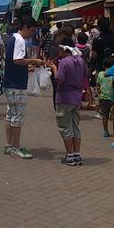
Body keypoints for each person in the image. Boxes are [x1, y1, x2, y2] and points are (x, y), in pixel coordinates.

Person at [3, 16, 43, 159]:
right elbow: (18, 60)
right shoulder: (20, 40)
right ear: (25, 27)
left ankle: (9, 145)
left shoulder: (13, 38)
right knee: (17, 116)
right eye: (31, 30)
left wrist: (28, 64)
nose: (32, 34)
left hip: (11, 82)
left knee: (10, 115)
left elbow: (15, 61)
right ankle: (16, 147)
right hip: (16, 84)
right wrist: (33, 61)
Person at [47, 38, 86, 166]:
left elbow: (59, 79)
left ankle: (70, 155)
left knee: (65, 127)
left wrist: (53, 67)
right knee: (75, 126)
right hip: (76, 97)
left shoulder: (64, 62)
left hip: (64, 97)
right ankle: (77, 154)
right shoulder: (80, 60)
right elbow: (86, 74)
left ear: (64, 49)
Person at [96, 56, 114, 137]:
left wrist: (99, 95)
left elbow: (98, 85)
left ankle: (105, 131)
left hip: (103, 98)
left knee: (104, 116)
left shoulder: (100, 74)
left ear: (103, 66)